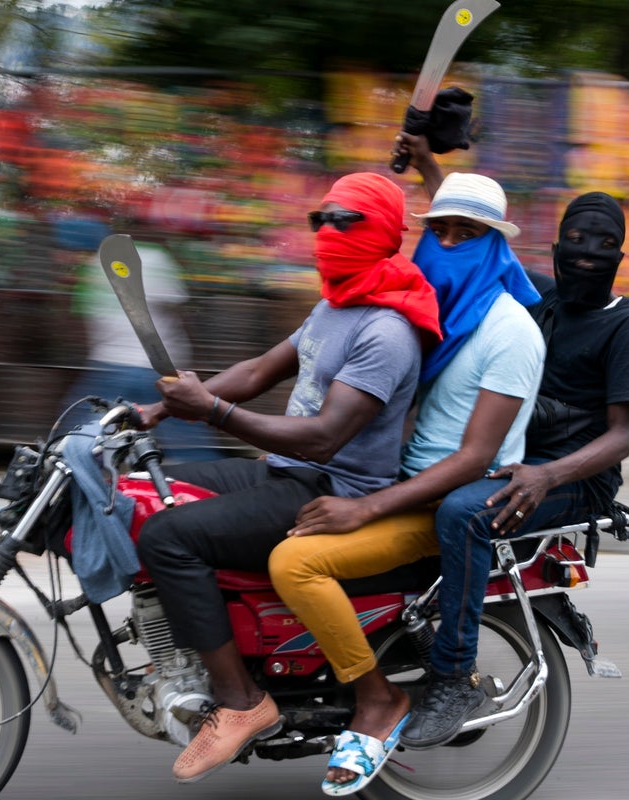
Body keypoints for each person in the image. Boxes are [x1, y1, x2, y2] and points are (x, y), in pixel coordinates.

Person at [134, 171, 442, 784]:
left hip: (326, 489)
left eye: (343, 220)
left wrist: (212, 411)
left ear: (380, 232)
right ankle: (186, 649)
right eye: (319, 219)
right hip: (282, 471)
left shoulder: (387, 330)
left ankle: (241, 701)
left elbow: (326, 437)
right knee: (143, 490)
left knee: (169, 537)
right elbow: (257, 371)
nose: (327, 230)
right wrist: (159, 410)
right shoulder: (336, 303)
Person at [271, 157, 545, 795]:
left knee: (296, 565)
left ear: (496, 243)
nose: (447, 245)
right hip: (395, 482)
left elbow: (474, 458)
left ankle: (377, 701)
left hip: (439, 502)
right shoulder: (439, 310)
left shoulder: (510, 331)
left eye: (466, 234)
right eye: (439, 231)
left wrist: (364, 509)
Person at [393, 135, 629, 750]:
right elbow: (472, 236)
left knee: (464, 512)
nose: (588, 254)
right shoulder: (541, 303)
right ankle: (406, 633)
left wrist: (545, 476)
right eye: (577, 240)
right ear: (557, 246)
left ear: (621, 253)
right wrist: (431, 167)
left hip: (571, 481)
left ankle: (454, 676)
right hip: (505, 458)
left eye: (604, 244)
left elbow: (624, 434)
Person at [59, 232, 220, 461]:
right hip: (159, 366)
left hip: (111, 365)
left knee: (80, 432)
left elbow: (80, 325)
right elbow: (179, 312)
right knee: (186, 438)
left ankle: (73, 481)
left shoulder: (96, 264)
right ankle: (213, 483)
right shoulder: (156, 257)